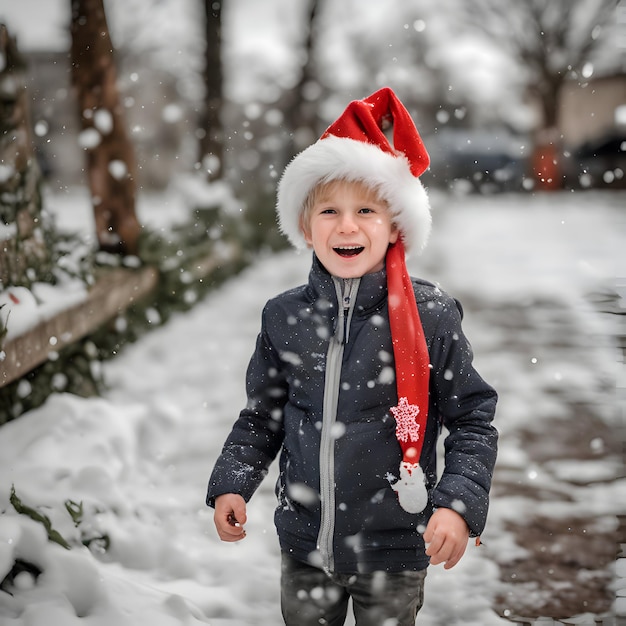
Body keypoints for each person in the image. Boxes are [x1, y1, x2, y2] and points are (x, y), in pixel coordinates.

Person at [206, 87, 498, 626]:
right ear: (304, 224)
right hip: (304, 546)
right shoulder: (283, 316)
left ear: (395, 227)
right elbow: (262, 415)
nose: (347, 226)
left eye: (366, 210)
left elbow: (472, 420)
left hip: (393, 547)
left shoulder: (430, 316)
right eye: (329, 211)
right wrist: (232, 479)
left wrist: (458, 504)